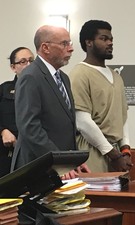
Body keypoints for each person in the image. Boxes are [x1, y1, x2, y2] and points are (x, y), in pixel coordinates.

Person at [11, 25, 90, 179]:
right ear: (45, 47)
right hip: (37, 168)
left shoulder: (64, 78)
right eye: (64, 44)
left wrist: (73, 159)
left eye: (70, 43)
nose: (71, 49)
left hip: (60, 169)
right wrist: (59, 163)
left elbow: (64, 126)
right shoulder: (31, 77)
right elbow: (30, 127)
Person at [69, 20, 133, 172]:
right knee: (96, 194)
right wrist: (113, 155)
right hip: (92, 151)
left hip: (116, 152)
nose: (110, 43)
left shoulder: (116, 77)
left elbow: (122, 118)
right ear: (89, 42)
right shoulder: (80, 74)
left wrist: (125, 150)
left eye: (111, 39)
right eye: (104, 39)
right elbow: (83, 122)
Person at [0, 47, 34, 177]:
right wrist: (3, 130)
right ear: (13, 67)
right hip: (7, 153)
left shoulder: (44, 89)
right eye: (23, 61)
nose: (29, 65)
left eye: (31, 60)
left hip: (34, 153)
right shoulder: (4, 89)